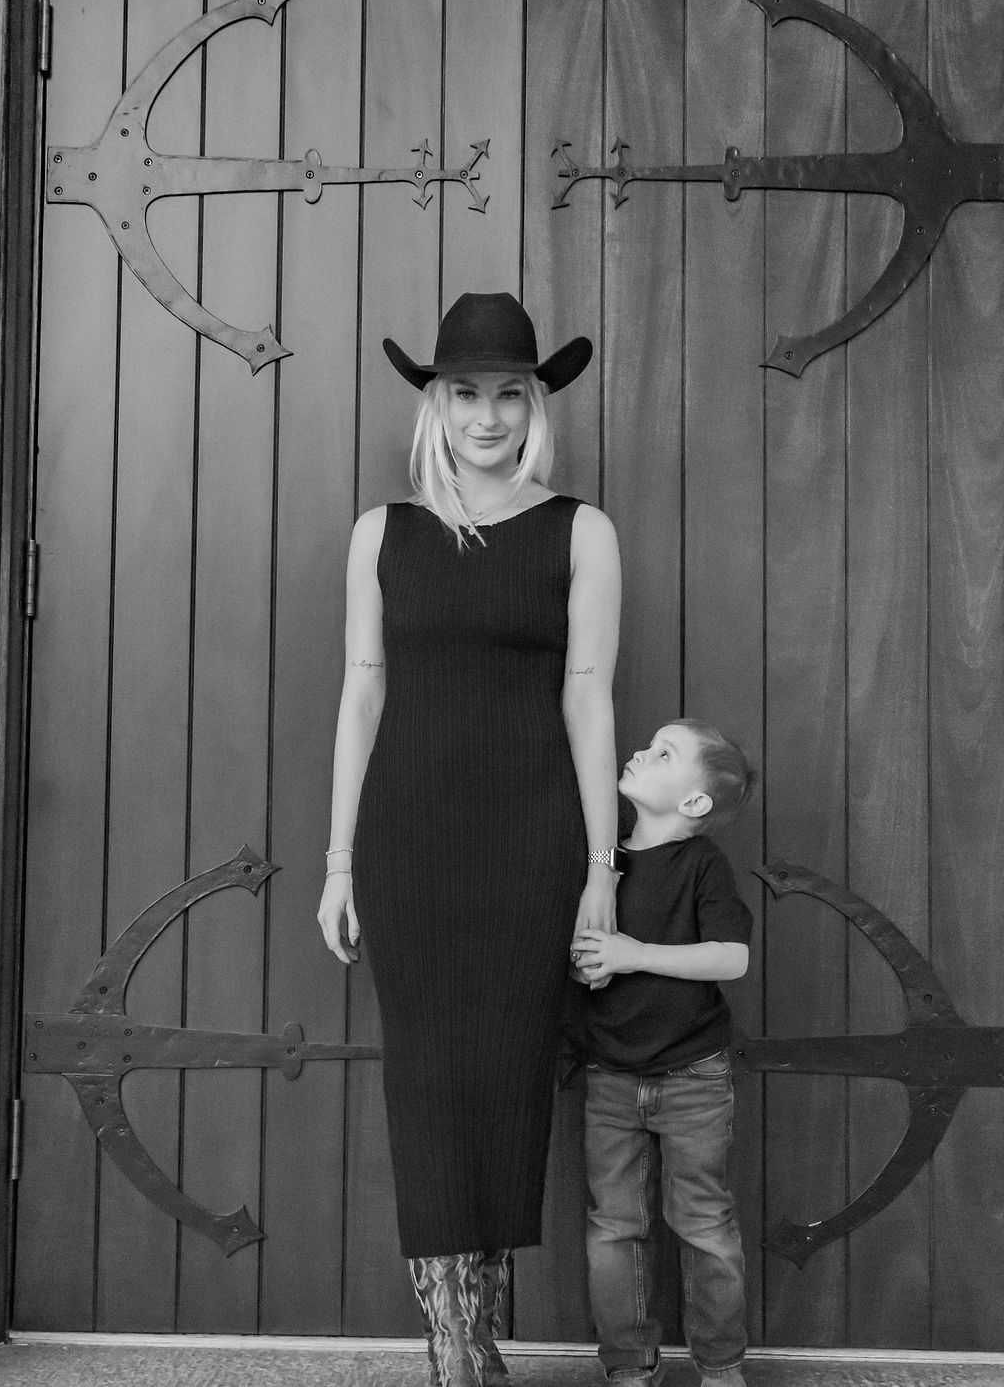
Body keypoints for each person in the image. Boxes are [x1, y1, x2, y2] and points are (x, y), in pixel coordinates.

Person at [317, 291, 622, 1387]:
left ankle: (478, 1340)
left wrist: (599, 867)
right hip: (406, 842)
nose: (485, 415)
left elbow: (590, 699)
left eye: (507, 393)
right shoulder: (380, 534)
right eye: (464, 393)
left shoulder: (580, 530)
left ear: (534, 404)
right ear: (435, 404)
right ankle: (453, 1346)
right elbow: (361, 696)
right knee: (425, 1085)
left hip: (533, 844)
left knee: (504, 1081)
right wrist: (339, 861)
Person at [571, 719, 755, 1387]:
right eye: (651, 742)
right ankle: (628, 1365)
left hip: (693, 1075)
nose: (643, 751)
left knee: (704, 1222)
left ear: (695, 803)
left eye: (665, 752)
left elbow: (731, 956)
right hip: (611, 1074)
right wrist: (590, 965)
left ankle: (721, 1364)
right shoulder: (602, 864)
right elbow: (584, 953)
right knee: (615, 1227)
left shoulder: (703, 864)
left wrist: (634, 954)